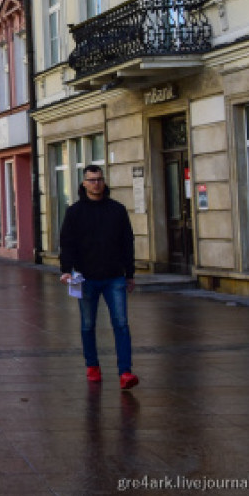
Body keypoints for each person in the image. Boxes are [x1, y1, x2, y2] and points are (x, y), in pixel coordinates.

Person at [59, 165, 139, 391]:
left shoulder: (117, 210)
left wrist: (130, 274)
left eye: (99, 179)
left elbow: (127, 243)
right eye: (91, 180)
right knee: (87, 324)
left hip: (115, 277)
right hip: (85, 278)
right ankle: (92, 366)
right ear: (84, 183)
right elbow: (67, 243)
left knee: (121, 324)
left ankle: (125, 372)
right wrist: (66, 269)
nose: (96, 184)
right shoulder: (74, 212)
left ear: (104, 182)